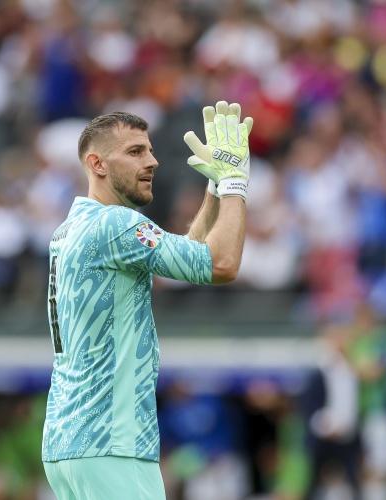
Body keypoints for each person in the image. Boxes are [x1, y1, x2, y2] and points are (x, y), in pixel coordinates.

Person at [41, 101, 253, 499]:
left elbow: (188, 258)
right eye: (135, 151)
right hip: (112, 442)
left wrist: (213, 189)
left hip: (68, 444)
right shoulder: (115, 224)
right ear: (97, 164)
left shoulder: (71, 228)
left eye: (150, 150)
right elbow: (221, 264)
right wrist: (235, 184)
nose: (152, 161)